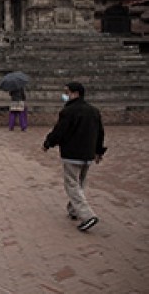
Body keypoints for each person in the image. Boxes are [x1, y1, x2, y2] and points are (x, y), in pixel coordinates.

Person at [43, 82, 106, 232]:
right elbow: (100, 133)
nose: (65, 95)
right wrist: (98, 151)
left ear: (75, 93)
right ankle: (74, 210)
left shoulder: (69, 111)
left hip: (72, 153)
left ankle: (87, 215)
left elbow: (60, 131)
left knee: (71, 184)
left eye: (67, 92)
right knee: (80, 183)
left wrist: (48, 143)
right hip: (88, 154)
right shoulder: (94, 111)